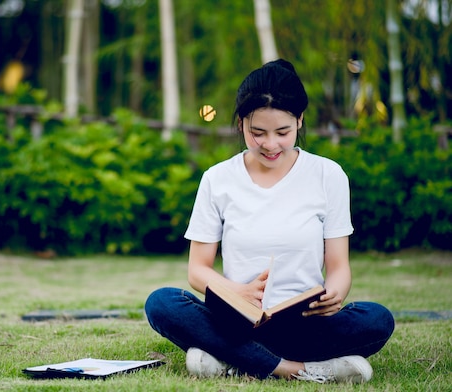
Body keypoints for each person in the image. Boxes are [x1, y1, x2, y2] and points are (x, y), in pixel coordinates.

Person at [144, 59, 394, 384]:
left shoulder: (327, 175)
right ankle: (294, 369)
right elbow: (198, 270)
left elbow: (338, 266)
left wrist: (334, 293)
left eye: (283, 132)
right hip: (237, 318)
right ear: (240, 124)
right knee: (161, 303)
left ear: (300, 120)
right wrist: (239, 293)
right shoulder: (218, 179)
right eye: (257, 132)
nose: (270, 144)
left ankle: (230, 359)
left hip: (304, 321)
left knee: (377, 319)